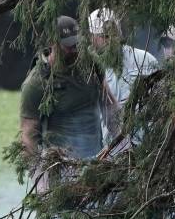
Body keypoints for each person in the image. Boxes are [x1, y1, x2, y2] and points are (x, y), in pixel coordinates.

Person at [19, 16, 110, 192]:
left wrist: (122, 143)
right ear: (53, 43)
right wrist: (38, 178)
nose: (74, 49)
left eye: (76, 43)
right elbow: (29, 136)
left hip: (96, 160)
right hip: (61, 169)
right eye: (68, 45)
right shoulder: (37, 83)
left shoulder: (90, 64)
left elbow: (108, 105)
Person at [88, 8, 159, 144]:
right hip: (112, 152)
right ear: (93, 38)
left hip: (146, 147)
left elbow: (161, 104)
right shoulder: (91, 72)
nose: (109, 40)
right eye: (104, 36)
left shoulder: (144, 60)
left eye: (112, 33)